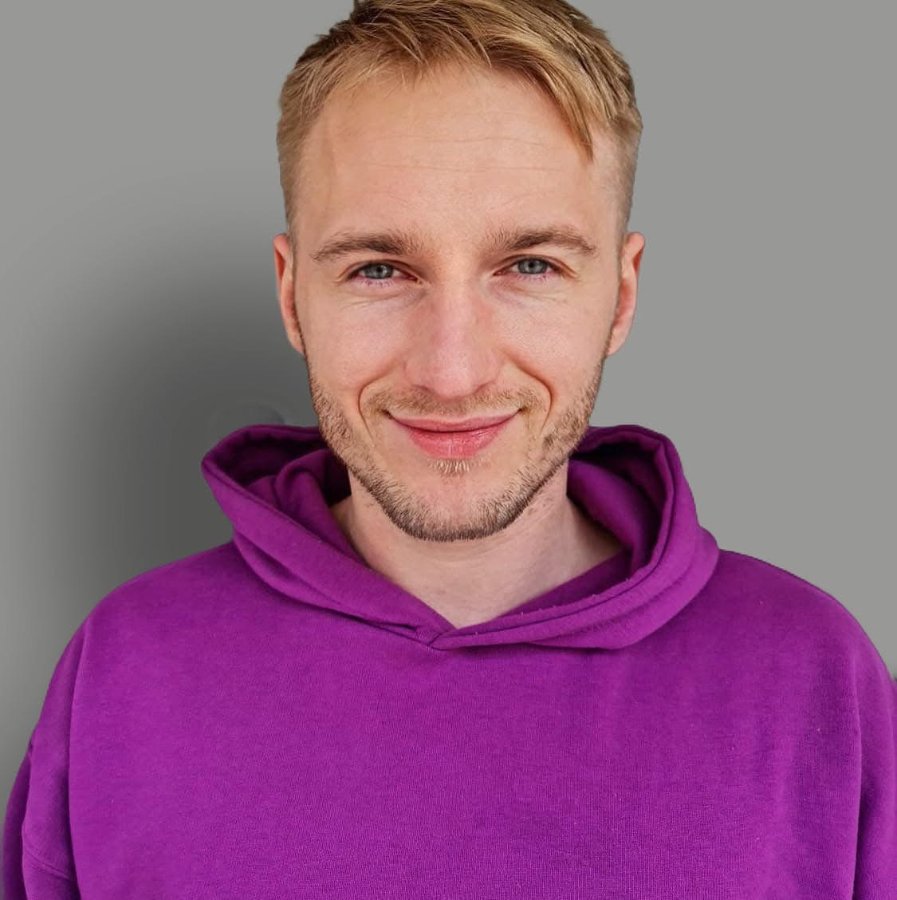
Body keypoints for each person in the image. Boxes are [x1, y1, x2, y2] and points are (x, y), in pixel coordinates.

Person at [3, 0, 895, 896]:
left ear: (621, 296)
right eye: (379, 270)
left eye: (530, 265)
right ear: (290, 294)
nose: (451, 371)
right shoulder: (127, 667)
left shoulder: (811, 677)